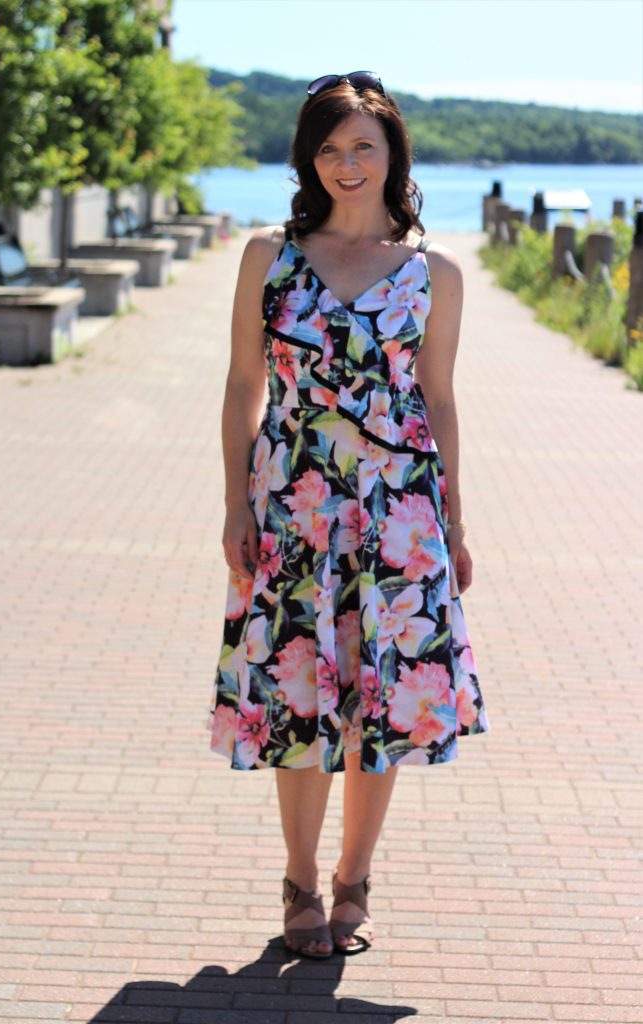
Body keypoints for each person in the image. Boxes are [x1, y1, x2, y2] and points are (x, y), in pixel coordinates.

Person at [207, 71, 491, 959]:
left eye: (362, 145)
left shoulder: (432, 271)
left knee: (381, 702)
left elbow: (438, 400)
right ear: (310, 159)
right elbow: (244, 384)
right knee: (298, 694)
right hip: (294, 506)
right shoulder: (270, 255)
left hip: (398, 513)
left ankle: (352, 880)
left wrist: (453, 522)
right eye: (328, 148)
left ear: (393, 152)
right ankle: (297, 880)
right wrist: (233, 504)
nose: (345, 163)